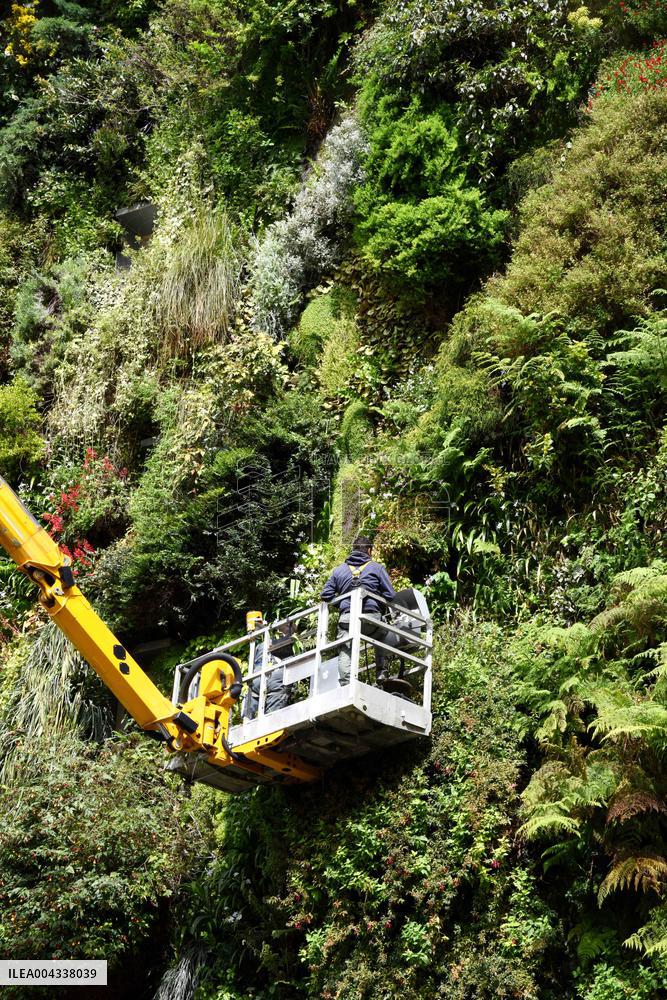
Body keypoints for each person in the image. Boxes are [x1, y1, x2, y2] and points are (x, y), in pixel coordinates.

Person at [320, 535, 398, 684]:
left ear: (353, 550)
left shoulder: (339, 571)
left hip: (347, 619)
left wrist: (342, 603)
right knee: (384, 633)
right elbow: (391, 595)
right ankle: (382, 672)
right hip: (371, 619)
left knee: (345, 647)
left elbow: (326, 595)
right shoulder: (376, 568)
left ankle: (345, 683)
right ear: (369, 550)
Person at [245, 618, 294, 719]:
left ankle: (246, 720)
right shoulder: (292, 643)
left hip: (257, 680)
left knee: (249, 712)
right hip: (276, 681)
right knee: (271, 717)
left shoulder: (261, 644)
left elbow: (252, 662)